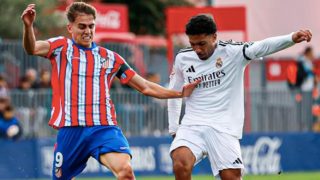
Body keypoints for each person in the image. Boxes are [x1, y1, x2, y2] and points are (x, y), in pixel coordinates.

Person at [21, 2, 199, 180]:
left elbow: (144, 86)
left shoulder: (111, 58)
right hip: (70, 130)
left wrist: (179, 93)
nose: (87, 31)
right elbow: (32, 48)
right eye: (82, 26)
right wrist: (28, 27)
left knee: (126, 172)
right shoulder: (60, 47)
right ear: (70, 27)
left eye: (91, 26)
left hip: (103, 128)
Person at [167, 14, 312, 180]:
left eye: (201, 44)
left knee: (231, 177)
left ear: (214, 37)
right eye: (193, 44)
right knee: (180, 161)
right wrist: (174, 129)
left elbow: (262, 47)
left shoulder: (233, 52)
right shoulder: (183, 58)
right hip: (193, 124)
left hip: (224, 127)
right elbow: (174, 93)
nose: (197, 49)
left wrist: (291, 38)